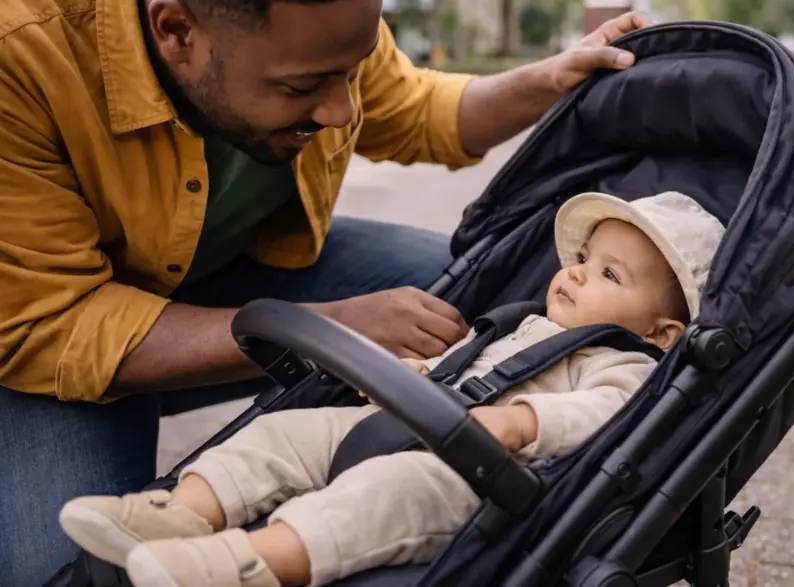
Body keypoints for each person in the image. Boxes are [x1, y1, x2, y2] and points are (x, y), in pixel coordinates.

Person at [0, 0, 656, 579]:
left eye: (354, 70)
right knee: (67, 571)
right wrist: (330, 329)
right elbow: (49, 321)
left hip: (225, 268)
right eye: (304, 86)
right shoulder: (19, 35)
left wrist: (550, 79)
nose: (343, 110)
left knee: (480, 300)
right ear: (177, 31)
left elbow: (415, 109)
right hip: (48, 330)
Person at [57, 191, 726, 587]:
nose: (577, 275)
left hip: (486, 480)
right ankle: (182, 510)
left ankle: (247, 564)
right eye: (582, 260)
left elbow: (605, 414)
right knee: (283, 433)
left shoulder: (626, 363)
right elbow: (464, 365)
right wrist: (414, 380)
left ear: (664, 331)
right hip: (410, 421)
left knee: (380, 497)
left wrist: (521, 423)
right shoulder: (523, 323)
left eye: (609, 275)